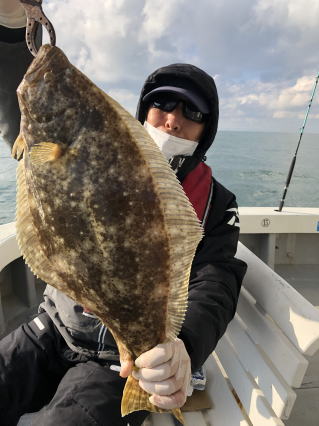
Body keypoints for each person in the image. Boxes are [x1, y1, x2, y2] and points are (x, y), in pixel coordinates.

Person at [0, 2, 247, 425]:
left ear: (208, 129)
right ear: (142, 111)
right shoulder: (65, 149)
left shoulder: (217, 204)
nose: (172, 120)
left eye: (192, 113)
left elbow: (217, 280)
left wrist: (183, 344)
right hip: (53, 327)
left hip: (120, 359)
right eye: (163, 104)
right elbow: (16, 110)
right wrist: (9, 22)